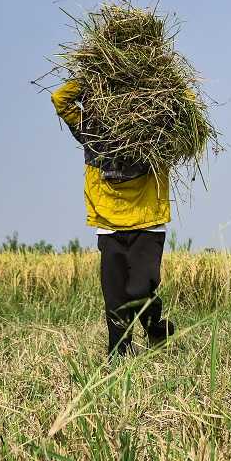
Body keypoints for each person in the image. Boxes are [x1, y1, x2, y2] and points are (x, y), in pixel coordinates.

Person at [51, 80, 176, 358]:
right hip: (108, 226)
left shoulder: (154, 130)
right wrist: (98, 76)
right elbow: (61, 99)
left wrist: (151, 77)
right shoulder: (92, 131)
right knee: (115, 298)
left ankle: (155, 328)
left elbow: (183, 104)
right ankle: (119, 354)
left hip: (147, 224)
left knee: (140, 288)